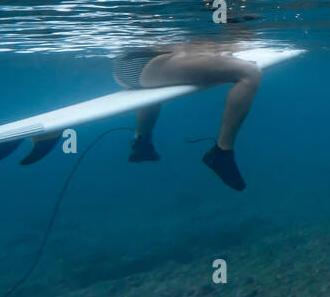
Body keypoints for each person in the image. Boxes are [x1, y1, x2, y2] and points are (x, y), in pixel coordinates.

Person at [110, 44, 262, 191]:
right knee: (249, 72)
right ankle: (222, 153)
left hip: (122, 67)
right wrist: (224, 59)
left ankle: (141, 142)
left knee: (155, 89)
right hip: (147, 65)